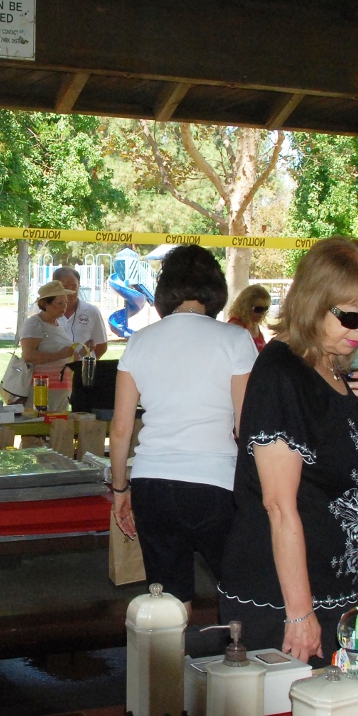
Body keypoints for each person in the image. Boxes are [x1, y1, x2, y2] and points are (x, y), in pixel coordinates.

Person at [218, 236, 358, 665]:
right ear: (313, 303)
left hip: (337, 587)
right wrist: (299, 614)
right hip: (289, 599)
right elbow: (278, 506)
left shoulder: (328, 364)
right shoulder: (282, 374)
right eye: (352, 317)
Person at [109, 246, 257, 617]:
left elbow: (122, 427)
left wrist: (120, 489)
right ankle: (237, 653)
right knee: (241, 594)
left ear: (165, 289)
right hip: (216, 484)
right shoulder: (235, 339)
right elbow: (248, 426)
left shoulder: (140, 341)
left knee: (170, 604)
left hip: (152, 483)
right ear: (216, 288)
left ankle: (169, 657)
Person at [15, 280, 92, 404]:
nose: (64, 306)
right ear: (45, 304)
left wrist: (82, 352)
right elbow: (29, 356)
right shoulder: (34, 323)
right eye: (60, 303)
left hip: (62, 389)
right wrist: (60, 355)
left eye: (65, 302)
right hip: (40, 389)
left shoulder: (59, 324)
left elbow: (66, 357)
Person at [51, 266, 109, 358]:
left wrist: (85, 363)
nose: (71, 292)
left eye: (74, 287)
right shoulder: (44, 313)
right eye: (65, 287)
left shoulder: (92, 311)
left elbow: (101, 346)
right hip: (54, 367)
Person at [227, 284, 271, 351]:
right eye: (258, 309)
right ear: (246, 307)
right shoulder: (235, 325)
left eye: (265, 309)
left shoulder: (254, 323)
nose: (263, 313)